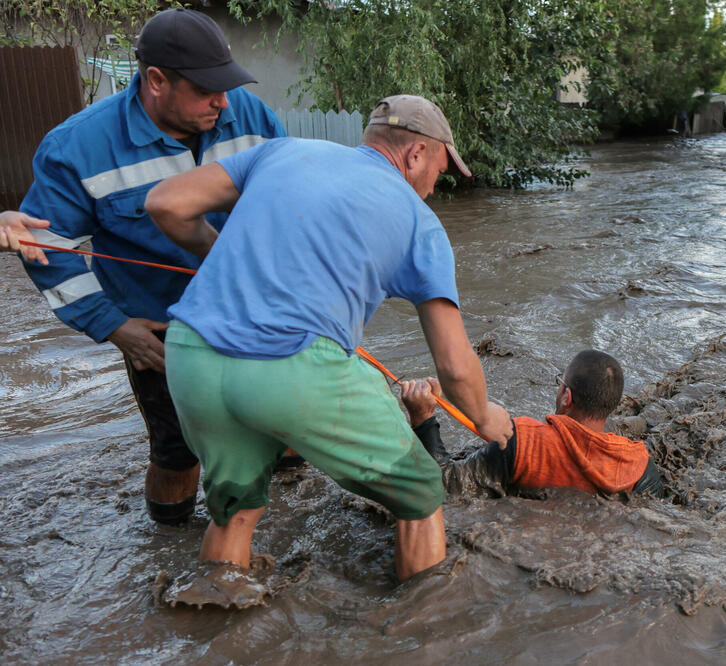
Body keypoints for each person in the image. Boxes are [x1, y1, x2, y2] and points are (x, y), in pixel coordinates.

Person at [145, 94, 513, 582]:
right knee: (422, 491)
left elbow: (165, 203)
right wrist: (486, 417)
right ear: (417, 154)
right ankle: (429, 633)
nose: (433, 186)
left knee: (234, 509)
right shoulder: (420, 222)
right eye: (441, 171)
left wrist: (217, 254)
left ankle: (218, 624)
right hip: (291, 367)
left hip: (190, 354)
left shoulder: (282, 150)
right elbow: (454, 364)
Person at [17, 8, 286, 526]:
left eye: (226, 86)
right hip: (161, 330)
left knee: (281, 422)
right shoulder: (77, 147)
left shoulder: (249, 116)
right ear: (156, 81)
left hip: (254, 310)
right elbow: (51, 249)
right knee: (176, 452)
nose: (223, 102)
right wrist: (115, 328)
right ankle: (167, 538)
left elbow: (286, 201)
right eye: (208, 90)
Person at [400, 350, 663, 497]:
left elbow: (444, 487)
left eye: (560, 383)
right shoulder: (640, 466)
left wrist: (423, 418)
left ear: (566, 397)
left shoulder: (522, 442)